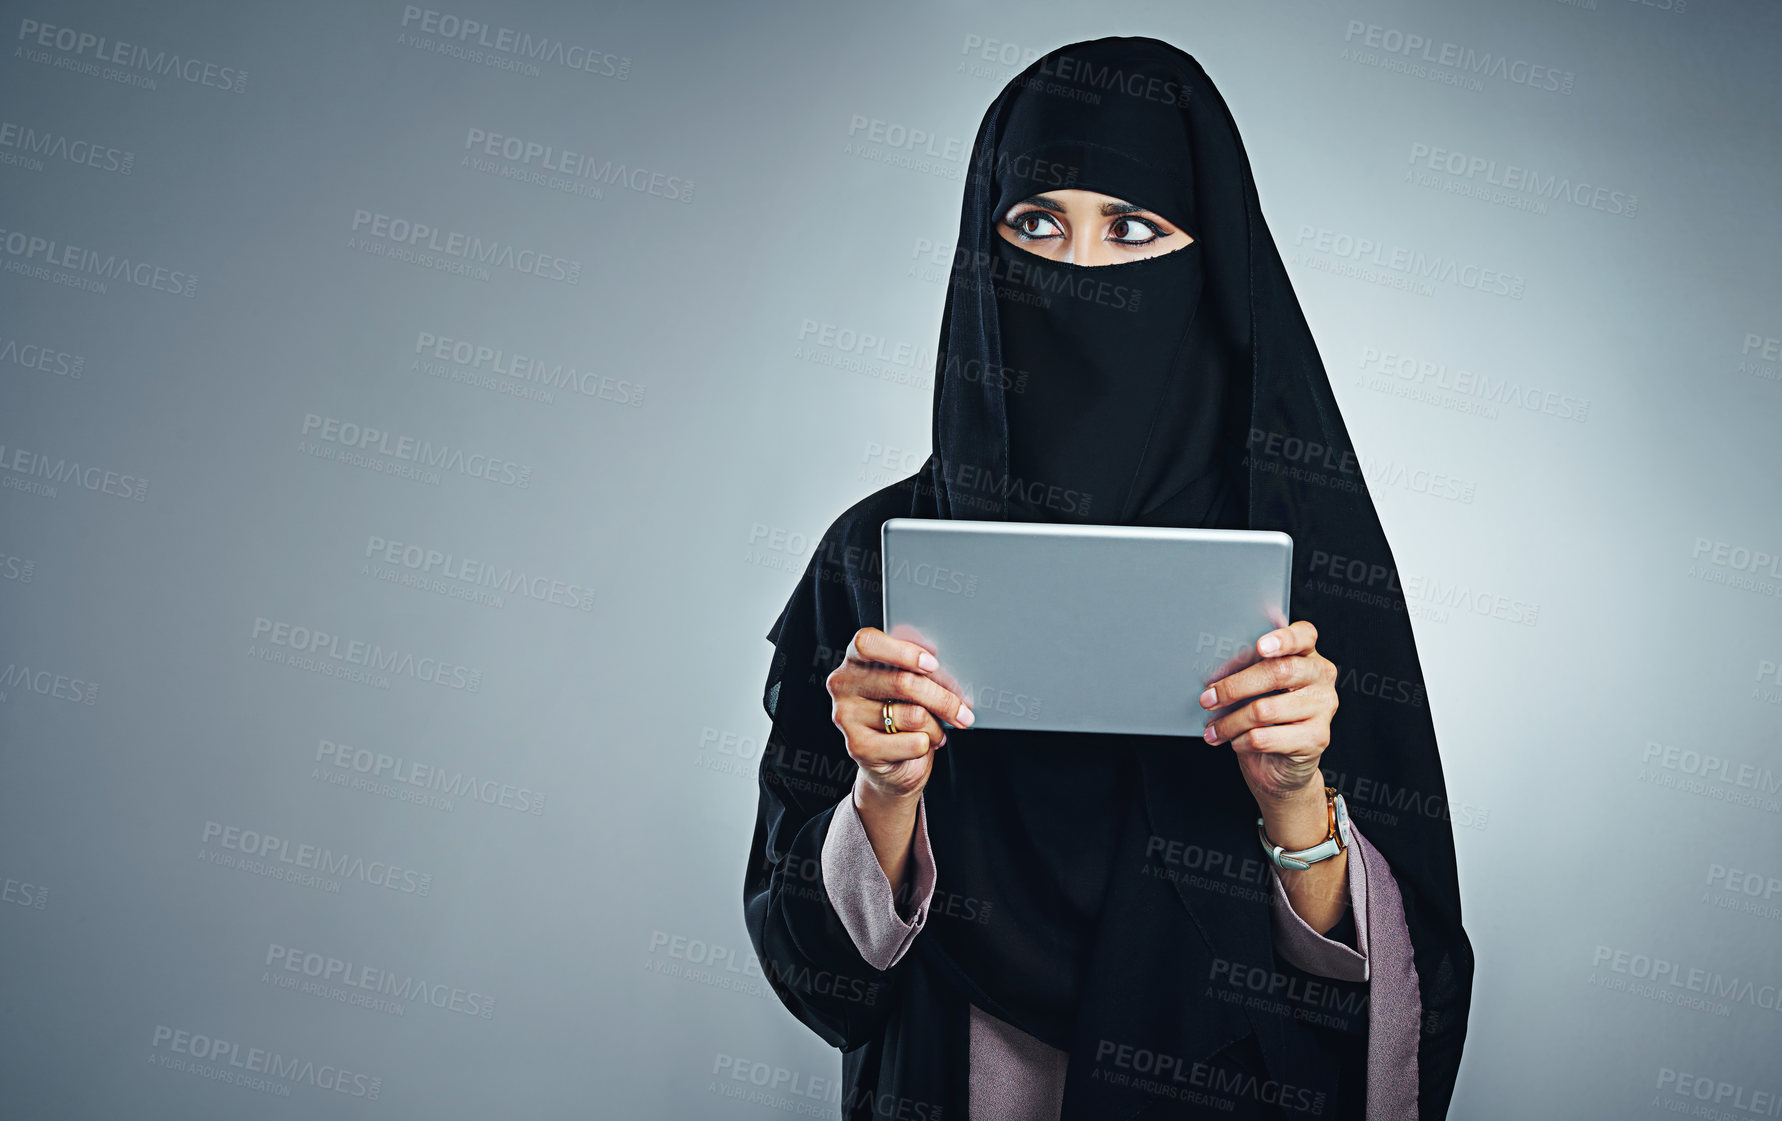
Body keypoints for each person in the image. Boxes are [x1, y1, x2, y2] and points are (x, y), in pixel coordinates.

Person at [745, 35, 1473, 1121]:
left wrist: (1295, 802)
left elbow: (1394, 995)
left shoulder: (1313, 570)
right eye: (1037, 224)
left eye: (1135, 228)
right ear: (981, 255)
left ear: (1211, 265)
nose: (1080, 271)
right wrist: (885, 797)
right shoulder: (873, 561)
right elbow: (821, 974)